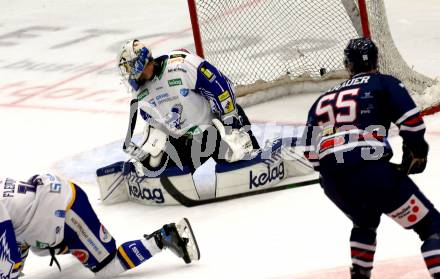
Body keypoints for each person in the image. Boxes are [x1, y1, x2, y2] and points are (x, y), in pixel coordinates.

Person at [303, 37, 440, 279]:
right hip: (373, 175)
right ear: (377, 60)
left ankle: (360, 275)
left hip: (335, 184)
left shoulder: (320, 101)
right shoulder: (383, 83)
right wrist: (418, 152)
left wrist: (333, 175)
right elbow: (412, 124)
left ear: (348, 65)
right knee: (432, 229)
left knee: (364, 222)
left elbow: (310, 153)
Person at [0, 173, 200, 278]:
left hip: (65, 211)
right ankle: (81, 245)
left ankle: (164, 237)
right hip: (54, 198)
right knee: (39, 248)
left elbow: (9, 259)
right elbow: (16, 238)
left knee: (106, 269)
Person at [117, 39, 260, 175]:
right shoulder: (139, 93)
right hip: (187, 139)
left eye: (129, 70)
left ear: (139, 64)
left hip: (215, 128)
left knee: (236, 156)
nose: (129, 77)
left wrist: (232, 123)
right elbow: (152, 121)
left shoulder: (182, 64)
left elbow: (220, 88)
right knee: (167, 171)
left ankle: (256, 158)